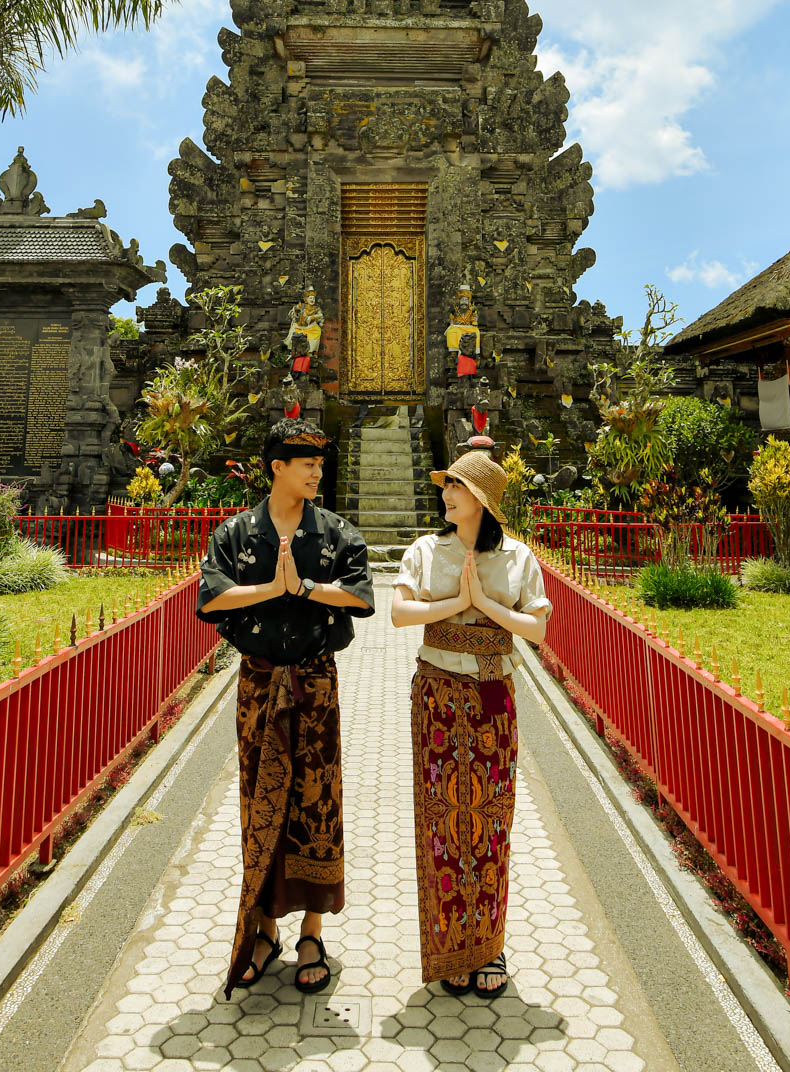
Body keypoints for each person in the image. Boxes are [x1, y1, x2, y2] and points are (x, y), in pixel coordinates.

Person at [197, 419, 375, 997]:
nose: (317, 473)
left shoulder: (339, 533)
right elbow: (212, 596)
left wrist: (303, 589)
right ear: (277, 467)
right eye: (307, 464)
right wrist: (272, 589)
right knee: (260, 797)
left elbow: (360, 596)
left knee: (318, 799)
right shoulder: (234, 533)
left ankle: (312, 932)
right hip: (259, 681)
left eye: (321, 464)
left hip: (316, 681)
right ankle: (265, 926)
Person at [391, 450, 551, 998]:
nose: (446, 494)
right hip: (437, 692)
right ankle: (448, 942)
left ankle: (490, 944)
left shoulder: (517, 558)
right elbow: (399, 613)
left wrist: (483, 601)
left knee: (489, 822)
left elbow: (536, 630)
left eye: (456, 486)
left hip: (490, 697)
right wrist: (455, 603)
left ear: (481, 499)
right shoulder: (425, 551)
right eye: (446, 485)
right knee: (441, 822)